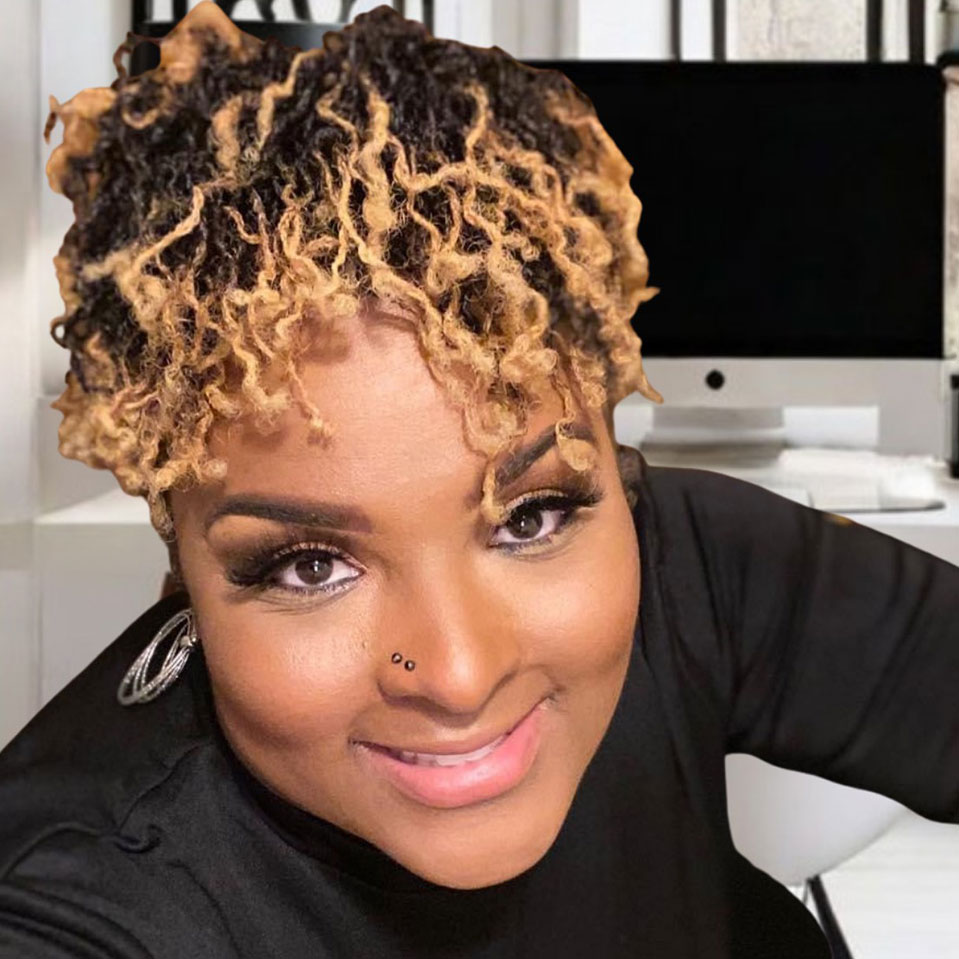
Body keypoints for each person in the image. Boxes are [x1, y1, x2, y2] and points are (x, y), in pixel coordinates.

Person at [1, 3, 957, 956]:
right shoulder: (81, 902)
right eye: (309, 565)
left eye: (531, 517)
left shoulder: (685, 564)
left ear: (614, 457)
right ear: (182, 566)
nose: (458, 676)